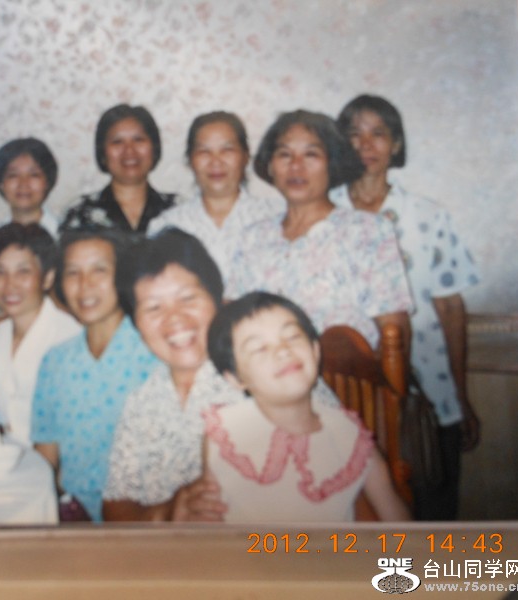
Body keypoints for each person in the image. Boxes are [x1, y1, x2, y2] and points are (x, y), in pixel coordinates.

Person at [332, 94, 480, 519]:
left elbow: (450, 309)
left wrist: (461, 395)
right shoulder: (323, 214)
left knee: (433, 514)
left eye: (378, 133)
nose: (366, 144)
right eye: (355, 134)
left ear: (395, 144)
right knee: (360, 522)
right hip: (348, 396)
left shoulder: (428, 216)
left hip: (427, 392)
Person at [203, 291, 411, 522]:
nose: (283, 350)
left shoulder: (349, 435)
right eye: (259, 348)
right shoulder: (225, 434)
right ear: (235, 378)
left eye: (292, 336)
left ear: (315, 350)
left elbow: (396, 521)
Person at [228, 109, 413, 351]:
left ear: (332, 164)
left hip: (349, 374)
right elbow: (233, 322)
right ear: (271, 166)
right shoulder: (253, 237)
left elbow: (395, 333)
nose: (296, 166)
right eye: (285, 154)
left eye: (311, 154)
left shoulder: (368, 232)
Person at [102, 229, 248, 521]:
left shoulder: (266, 376)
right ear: (136, 326)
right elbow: (114, 505)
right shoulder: (142, 400)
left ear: (218, 300)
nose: (175, 319)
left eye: (188, 298)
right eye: (154, 308)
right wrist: (166, 513)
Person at [30, 227, 159, 522]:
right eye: (73, 273)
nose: (85, 285)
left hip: (142, 520)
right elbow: (45, 457)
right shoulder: (55, 361)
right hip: (72, 519)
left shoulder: (154, 355)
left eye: (99, 270)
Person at [148, 111, 279, 287]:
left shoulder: (276, 217)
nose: (215, 161)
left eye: (227, 150)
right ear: (190, 160)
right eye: (204, 151)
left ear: (245, 156)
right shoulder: (166, 226)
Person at [0, 222, 81, 445]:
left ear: (47, 278)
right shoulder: (0, 334)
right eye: (0, 272)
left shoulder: (67, 338)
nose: (10, 285)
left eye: (23, 272)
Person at [0, 138, 61, 320]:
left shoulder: (65, 237)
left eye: (34, 174)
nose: (23, 184)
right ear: (1, 184)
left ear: (47, 182)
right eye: (13, 175)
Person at [60, 104, 176, 233]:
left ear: (154, 148)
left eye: (138, 140)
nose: (129, 150)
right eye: (117, 142)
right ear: (103, 153)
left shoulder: (177, 210)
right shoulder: (80, 212)